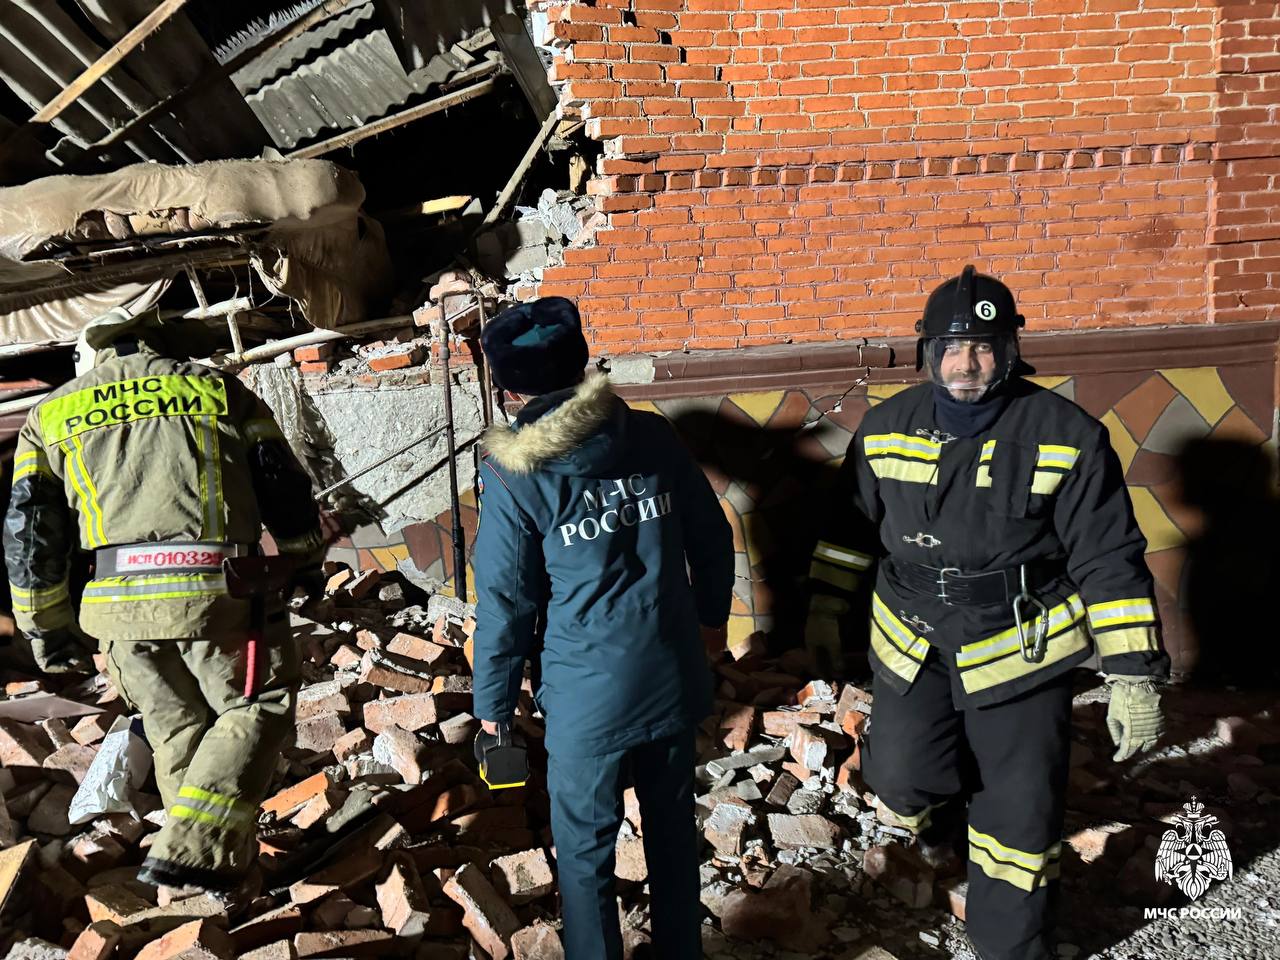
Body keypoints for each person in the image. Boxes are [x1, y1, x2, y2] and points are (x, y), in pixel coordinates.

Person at [806, 266, 1169, 960]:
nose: (966, 363)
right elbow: (847, 531)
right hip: (911, 636)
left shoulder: (1067, 434)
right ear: (928, 353)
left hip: (1020, 646)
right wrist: (825, 610)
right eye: (951, 347)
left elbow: (1109, 557)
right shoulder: (886, 429)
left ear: (1009, 351)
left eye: (984, 347)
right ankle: (946, 826)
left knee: (1019, 812)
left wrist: (1133, 675)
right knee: (903, 777)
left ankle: (1013, 943)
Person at [4, 307, 323, 896]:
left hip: (119, 608)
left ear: (93, 353)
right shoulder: (215, 388)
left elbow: (31, 533)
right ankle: (189, 853)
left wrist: (45, 625)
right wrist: (304, 556)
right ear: (158, 341)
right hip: (222, 593)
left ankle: (202, 884)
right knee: (261, 704)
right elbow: (279, 478)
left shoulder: (49, 414)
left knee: (177, 726)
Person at [471, 296, 734, 960]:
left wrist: (493, 708)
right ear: (583, 363)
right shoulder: (650, 436)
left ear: (509, 389)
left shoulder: (513, 472)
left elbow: (507, 600)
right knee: (673, 832)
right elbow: (712, 535)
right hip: (671, 672)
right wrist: (709, 626)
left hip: (588, 696)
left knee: (586, 850)